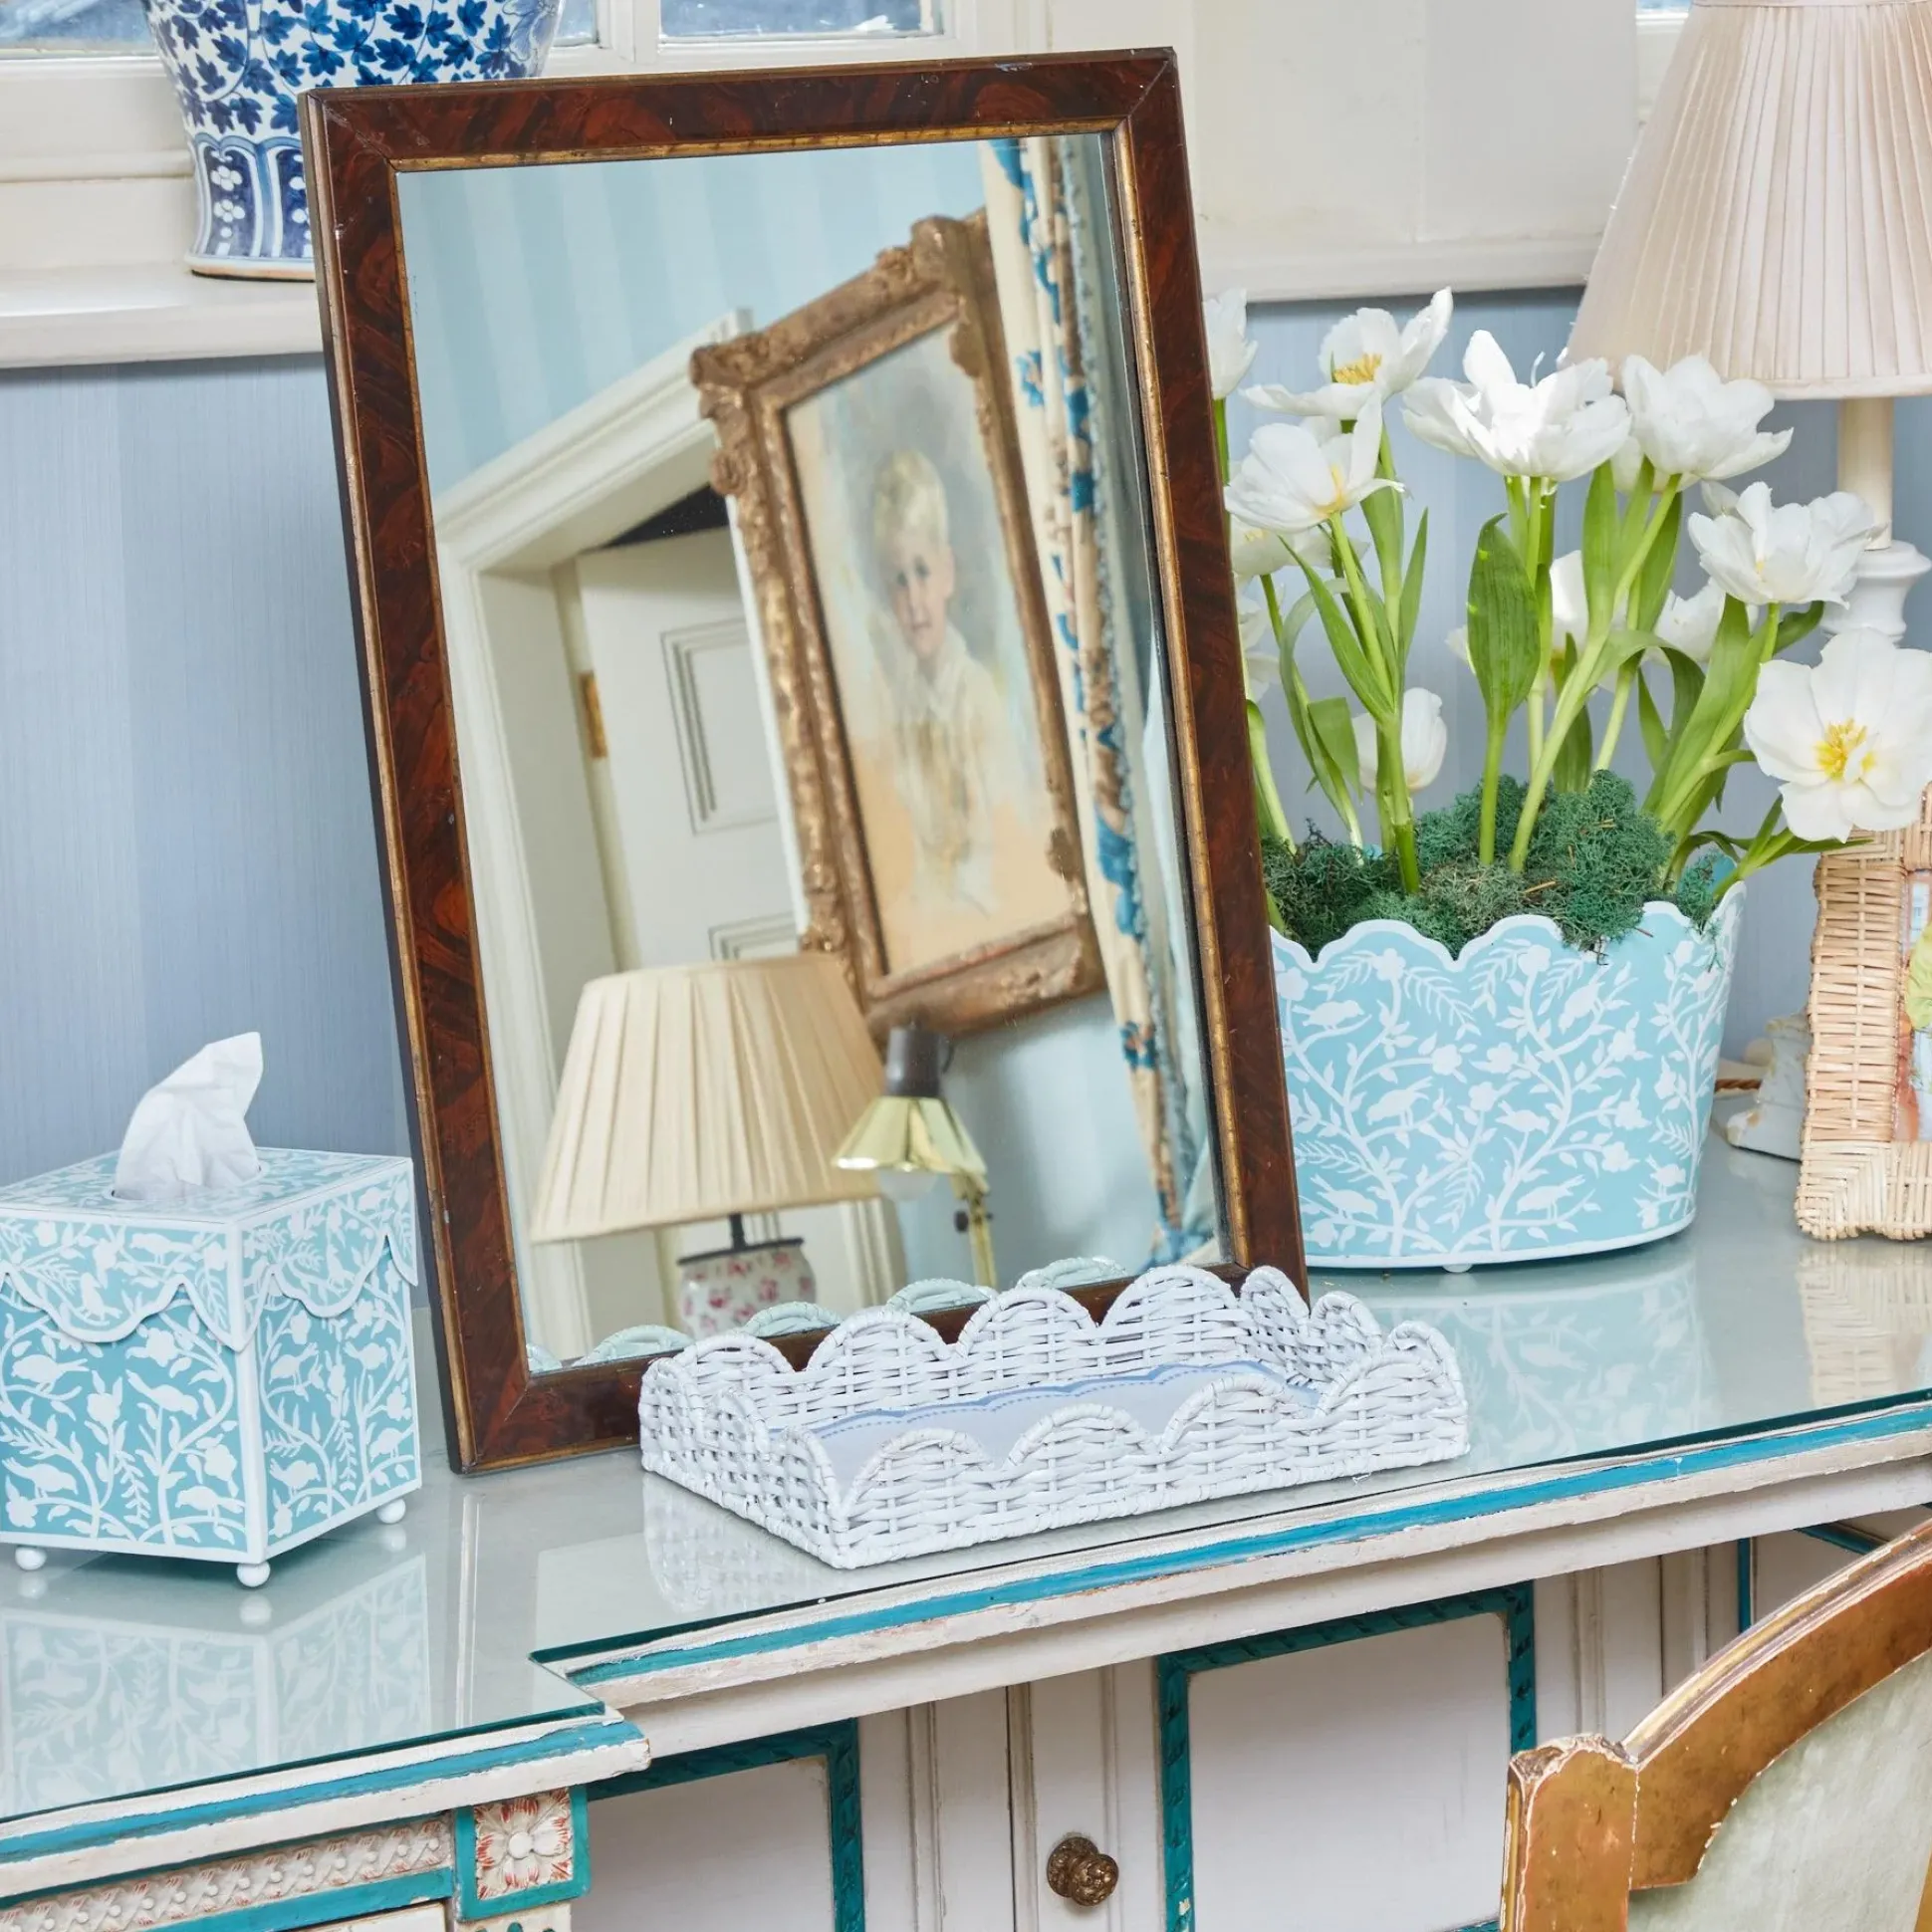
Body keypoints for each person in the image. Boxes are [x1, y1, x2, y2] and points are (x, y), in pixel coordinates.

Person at [867, 448, 1018, 915]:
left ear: (947, 573)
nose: (914, 601)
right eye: (898, 580)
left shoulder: (975, 694)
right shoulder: (899, 708)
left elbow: (999, 840)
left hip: (980, 907)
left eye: (922, 573)